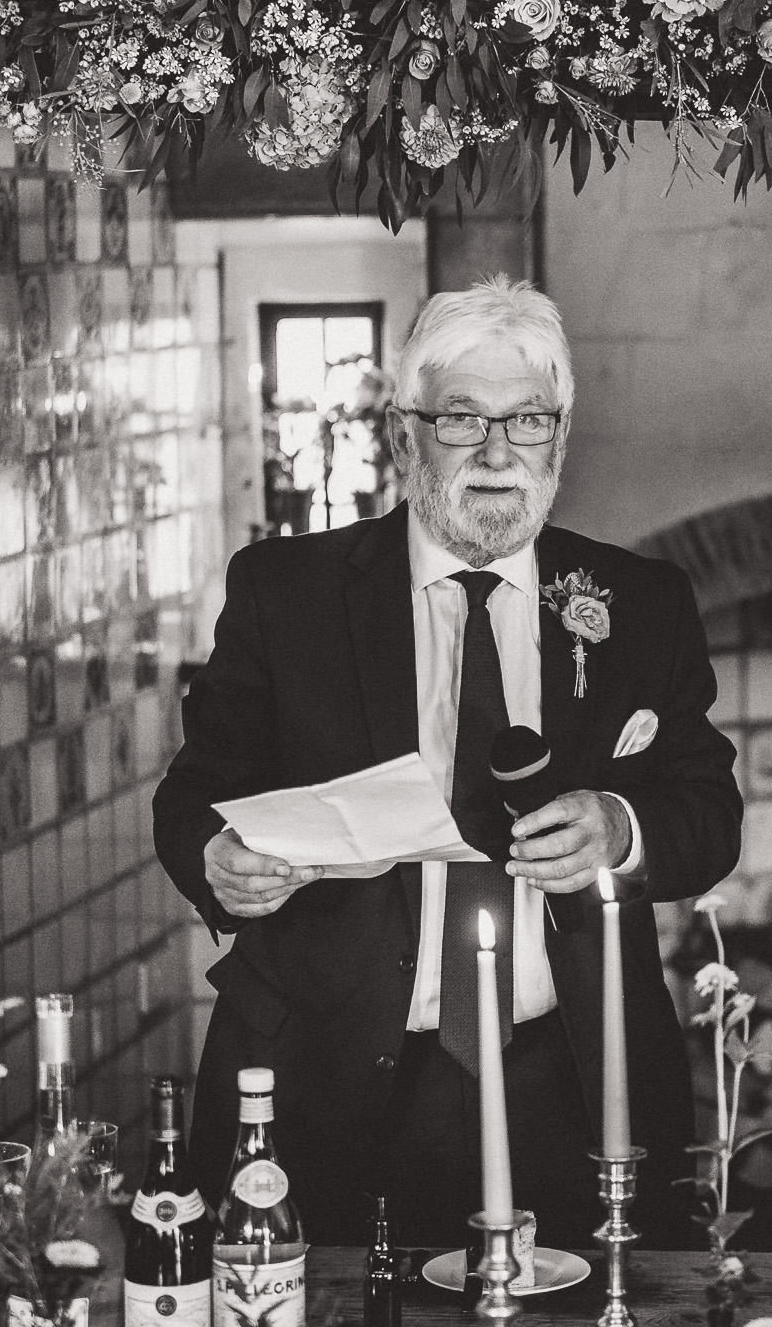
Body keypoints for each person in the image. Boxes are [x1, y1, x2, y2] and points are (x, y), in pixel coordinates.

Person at [154, 276, 741, 1248]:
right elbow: (197, 787)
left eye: (527, 420)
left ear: (560, 434)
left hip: (574, 1071)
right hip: (324, 1064)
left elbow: (708, 809)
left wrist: (623, 828)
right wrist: (215, 856)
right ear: (403, 434)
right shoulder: (286, 592)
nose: (498, 452)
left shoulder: (641, 599)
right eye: (463, 419)